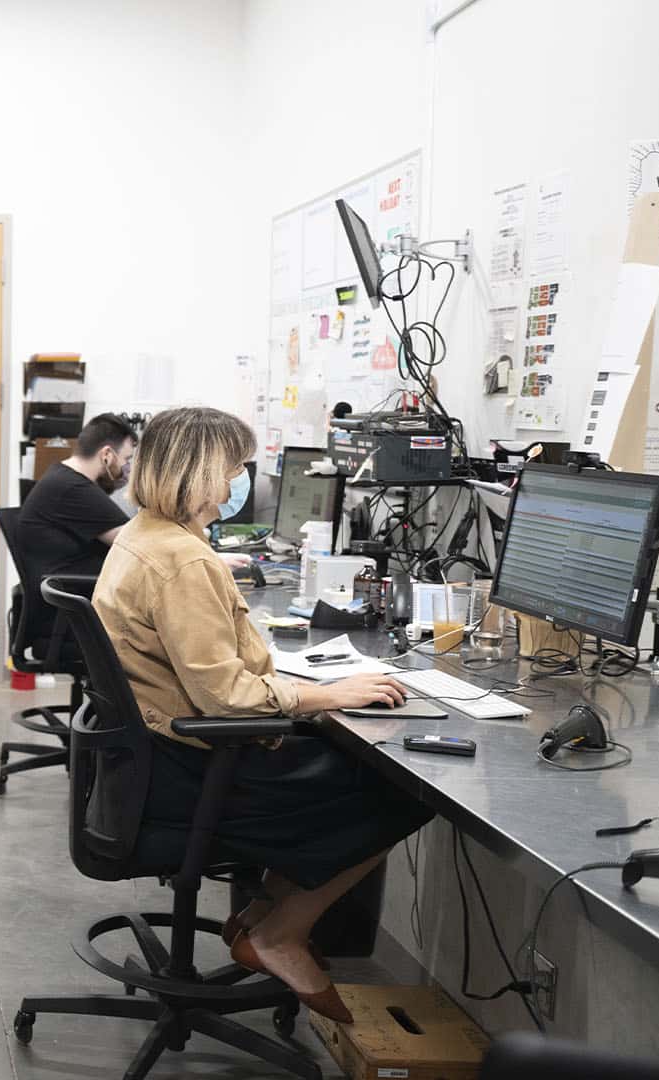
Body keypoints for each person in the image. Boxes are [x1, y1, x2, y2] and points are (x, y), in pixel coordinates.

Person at [91, 406, 432, 1025]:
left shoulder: (148, 536)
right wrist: (333, 693)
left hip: (151, 760)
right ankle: (280, 933)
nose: (238, 481)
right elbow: (226, 699)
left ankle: (261, 917)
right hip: (190, 768)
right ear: (199, 473)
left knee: (349, 765)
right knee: (400, 790)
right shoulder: (182, 562)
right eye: (234, 468)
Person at [16, 413, 136, 579]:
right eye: (127, 458)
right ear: (107, 455)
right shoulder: (73, 488)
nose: (127, 467)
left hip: (67, 588)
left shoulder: (61, 477)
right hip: (71, 595)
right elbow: (134, 544)